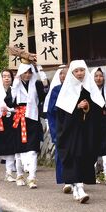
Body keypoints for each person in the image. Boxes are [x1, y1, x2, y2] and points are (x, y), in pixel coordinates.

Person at [55, 60, 105, 203]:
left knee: (85, 156)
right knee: (75, 156)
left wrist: (89, 107)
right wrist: (76, 107)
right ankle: (79, 187)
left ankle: (77, 187)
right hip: (71, 132)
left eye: (82, 70)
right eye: (76, 71)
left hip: (87, 131)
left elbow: (98, 109)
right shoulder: (67, 90)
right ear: (72, 73)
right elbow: (62, 115)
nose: (79, 73)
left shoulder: (90, 88)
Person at [5, 61, 46, 189]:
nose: (27, 75)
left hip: (33, 118)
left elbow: (44, 93)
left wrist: (40, 70)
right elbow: (10, 103)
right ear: (20, 74)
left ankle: (32, 177)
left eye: (29, 72)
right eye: (25, 73)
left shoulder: (36, 84)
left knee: (33, 149)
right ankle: (20, 174)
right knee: (19, 150)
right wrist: (14, 86)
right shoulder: (15, 85)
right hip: (19, 118)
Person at [46, 65, 72, 193]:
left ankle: (75, 179)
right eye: (61, 74)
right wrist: (53, 129)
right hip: (60, 126)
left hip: (73, 126)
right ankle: (66, 180)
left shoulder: (75, 89)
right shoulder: (56, 90)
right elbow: (51, 112)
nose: (63, 76)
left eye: (66, 73)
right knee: (62, 154)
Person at [90, 67, 106, 185]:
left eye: (100, 76)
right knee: (92, 149)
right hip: (92, 125)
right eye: (96, 76)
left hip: (105, 124)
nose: (99, 78)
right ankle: (92, 175)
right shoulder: (88, 92)